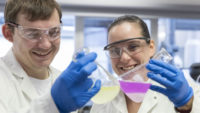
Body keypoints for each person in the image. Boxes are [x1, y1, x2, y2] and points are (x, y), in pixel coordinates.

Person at [0, 0, 101, 113]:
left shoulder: (63, 83)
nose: (45, 45)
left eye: (54, 32)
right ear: (8, 33)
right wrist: (53, 104)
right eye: (32, 33)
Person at [90, 15, 200, 113]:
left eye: (133, 47)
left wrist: (186, 106)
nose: (124, 58)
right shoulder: (104, 100)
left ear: (151, 47)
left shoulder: (188, 92)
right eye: (114, 50)